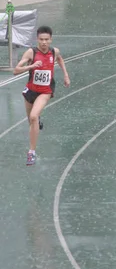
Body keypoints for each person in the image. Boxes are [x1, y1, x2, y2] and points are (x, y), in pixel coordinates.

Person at [14, 26, 70, 165]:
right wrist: (30, 66)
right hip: (31, 90)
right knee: (31, 121)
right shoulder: (31, 53)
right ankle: (37, 122)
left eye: (46, 39)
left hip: (45, 90)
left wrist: (66, 75)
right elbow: (16, 70)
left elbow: (60, 59)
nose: (44, 42)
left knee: (34, 116)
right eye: (41, 39)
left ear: (51, 39)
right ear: (37, 39)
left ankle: (31, 152)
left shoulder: (54, 51)